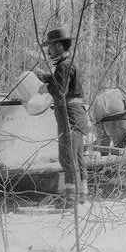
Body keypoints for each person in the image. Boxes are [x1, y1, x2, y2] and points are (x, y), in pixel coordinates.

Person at [35, 28, 89, 209]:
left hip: (69, 116)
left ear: (59, 46)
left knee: (67, 157)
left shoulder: (63, 66)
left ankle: (70, 200)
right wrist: (45, 77)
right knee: (78, 157)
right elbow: (60, 80)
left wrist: (45, 88)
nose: (48, 51)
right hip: (78, 115)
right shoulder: (68, 64)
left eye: (50, 46)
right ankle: (81, 196)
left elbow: (60, 91)